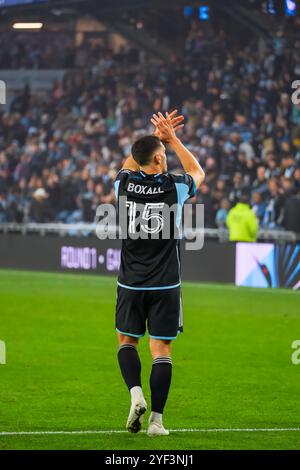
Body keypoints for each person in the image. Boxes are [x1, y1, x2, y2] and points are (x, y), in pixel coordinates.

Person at [114, 111, 205, 436]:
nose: (167, 159)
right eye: (163, 155)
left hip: (130, 282)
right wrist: (172, 138)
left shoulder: (123, 185)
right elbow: (198, 170)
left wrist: (152, 139)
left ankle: (135, 393)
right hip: (166, 284)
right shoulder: (176, 187)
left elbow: (130, 163)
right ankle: (157, 422)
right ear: (157, 158)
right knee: (161, 350)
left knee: (127, 340)